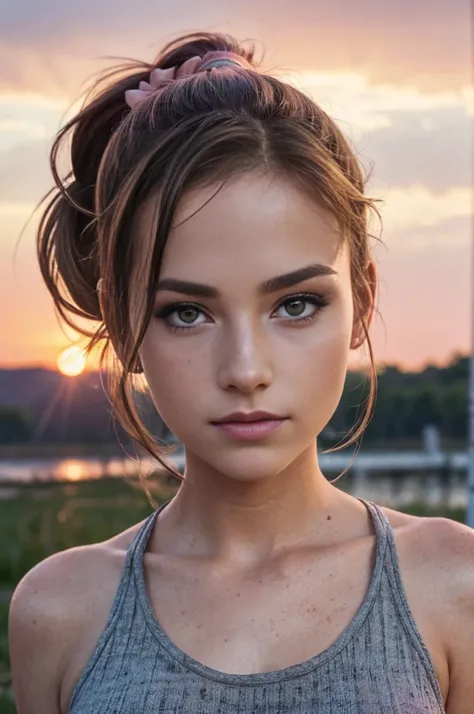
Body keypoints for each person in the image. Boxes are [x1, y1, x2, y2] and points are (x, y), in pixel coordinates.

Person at [8, 31, 474, 714]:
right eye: (186, 313)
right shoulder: (60, 611)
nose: (246, 370)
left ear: (361, 305)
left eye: (295, 304)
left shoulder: (454, 584)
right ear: (123, 322)